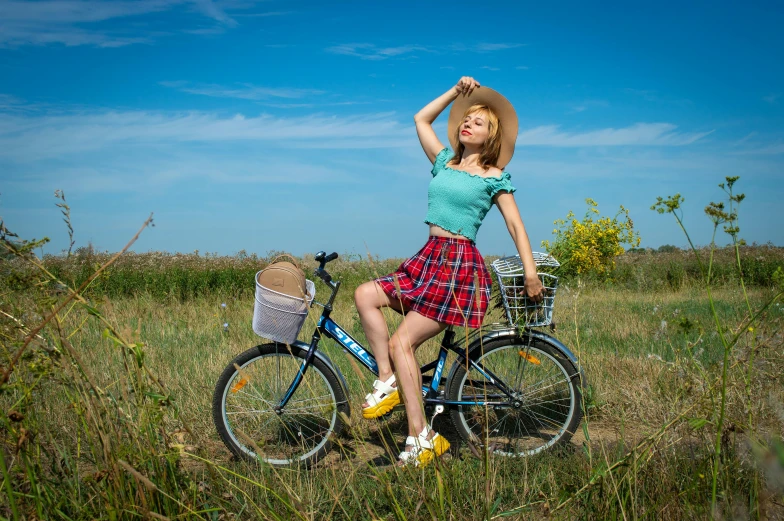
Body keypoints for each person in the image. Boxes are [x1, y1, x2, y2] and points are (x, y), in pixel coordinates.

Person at [353, 76, 545, 467]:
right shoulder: (444, 161)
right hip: (428, 257)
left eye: (478, 122)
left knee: (401, 342)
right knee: (364, 295)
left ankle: (421, 436)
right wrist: (456, 94)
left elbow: (515, 225)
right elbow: (420, 119)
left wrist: (530, 272)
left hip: (458, 265)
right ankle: (388, 380)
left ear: (491, 136)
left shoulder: (494, 178)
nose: (467, 124)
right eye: (466, 119)